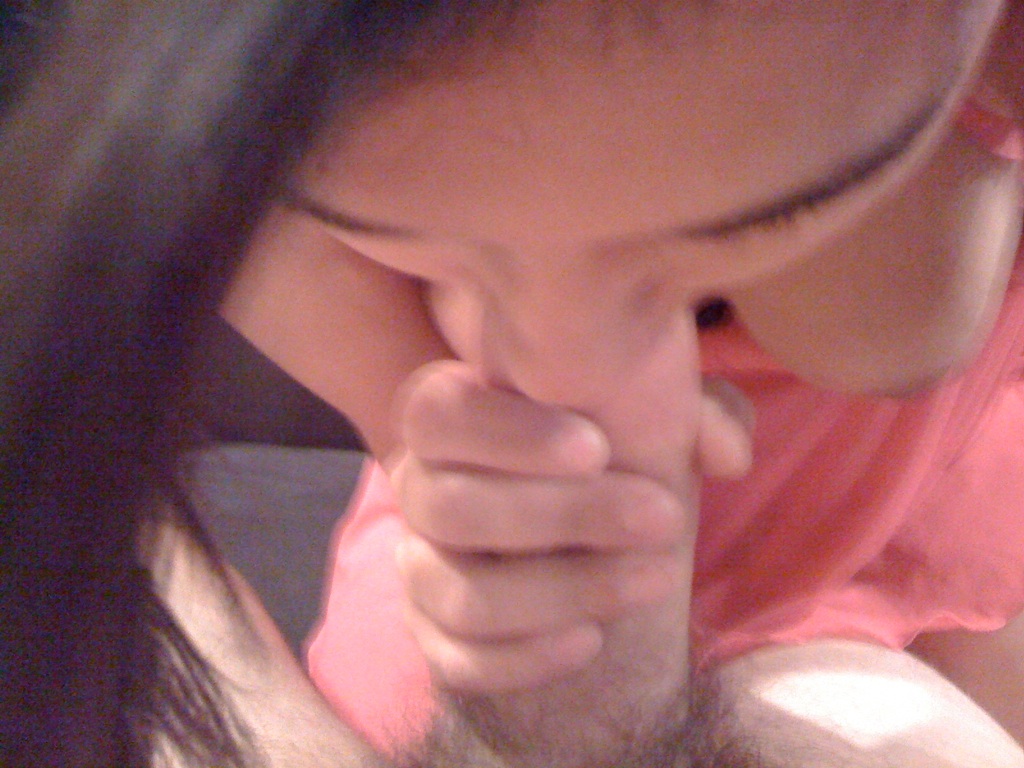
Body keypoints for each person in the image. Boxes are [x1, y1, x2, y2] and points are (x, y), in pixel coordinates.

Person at [1, 3, 1022, 768]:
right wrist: (434, 435)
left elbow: (902, 333)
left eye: (739, 228)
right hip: (541, 597)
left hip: (938, 514)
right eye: (428, 249)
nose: (556, 376)